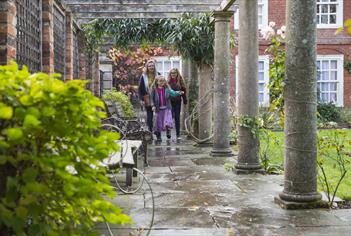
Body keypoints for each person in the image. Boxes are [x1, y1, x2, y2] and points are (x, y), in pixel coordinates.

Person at [151, 76, 183, 142]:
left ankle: (168, 131)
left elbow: (173, 93)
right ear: (157, 82)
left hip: (167, 108)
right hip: (158, 109)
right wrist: (153, 106)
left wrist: (178, 92)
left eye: (163, 81)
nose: (162, 82)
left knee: (167, 121)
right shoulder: (154, 90)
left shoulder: (167, 89)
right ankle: (158, 136)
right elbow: (152, 99)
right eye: (160, 81)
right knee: (158, 123)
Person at [138, 59, 159, 132]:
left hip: (157, 97)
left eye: (152, 66)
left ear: (154, 67)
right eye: (149, 66)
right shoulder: (143, 76)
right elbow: (140, 88)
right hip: (147, 97)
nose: (151, 67)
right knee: (149, 114)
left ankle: (157, 131)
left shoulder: (158, 75)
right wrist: (141, 99)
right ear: (147, 67)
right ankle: (150, 130)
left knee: (158, 114)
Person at [167, 68, 187, 140]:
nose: (173, 74)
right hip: (170, 102)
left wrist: (185, 100)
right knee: (170, 117)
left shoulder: (180, 81)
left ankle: (178, 134)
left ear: (177, 74)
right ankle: (168, 131)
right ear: (170, 74)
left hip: (178, 101)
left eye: (174, 73)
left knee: (177, 117)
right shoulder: (168, 82)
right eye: (172, 73)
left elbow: (184, 91)